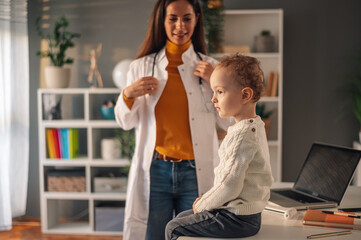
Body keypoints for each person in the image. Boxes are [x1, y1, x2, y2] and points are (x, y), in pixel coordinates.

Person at [114, 0, 232, 239]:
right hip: (156, 171)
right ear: (162, 21)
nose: (180, 25)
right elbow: (125, 122)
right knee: (153, 235)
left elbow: (229, 123)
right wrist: (128, 94)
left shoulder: (213, 68)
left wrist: (218, 86)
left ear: (197, 19)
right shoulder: (141, 67)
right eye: (173, 19)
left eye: (187, 18)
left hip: (195, 171)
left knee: (195, 237)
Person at [165, 53, 274, 239]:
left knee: (173, 227)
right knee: (183, 216)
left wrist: (203, 204)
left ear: (245, 95)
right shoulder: (253, 126)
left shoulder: (242, 136)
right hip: (242, 215)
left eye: (220, 92)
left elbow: (229, 185)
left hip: (237, 218)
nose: (213, 98)